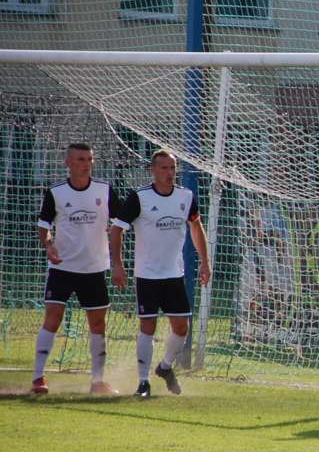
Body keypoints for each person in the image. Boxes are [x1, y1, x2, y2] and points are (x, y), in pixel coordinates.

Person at [110, 149, 211, 398]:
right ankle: (143, 383)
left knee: (181, 327)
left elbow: (196, 228)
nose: (169, 173)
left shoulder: (185, 197)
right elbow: (116, 230)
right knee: (148, 325)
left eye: (173, 168)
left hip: (174, 274)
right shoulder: (139, 198)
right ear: (153, 170)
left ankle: (165, 367)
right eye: (164, 168)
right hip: (147, 274)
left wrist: (205, 261)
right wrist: (117, 264)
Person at [31, 143, 121, 395]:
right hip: (62, 267)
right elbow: (43, 223)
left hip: (94, 269)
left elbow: (120, 220)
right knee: (53, 318)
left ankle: (97, 381)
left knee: (98, 324)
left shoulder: (104, 190)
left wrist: (114, 235)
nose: (86, 163)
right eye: (80, 159)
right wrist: (48, 244)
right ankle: (38, 377)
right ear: (67, 163)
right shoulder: (56, 192)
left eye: (90, 159)